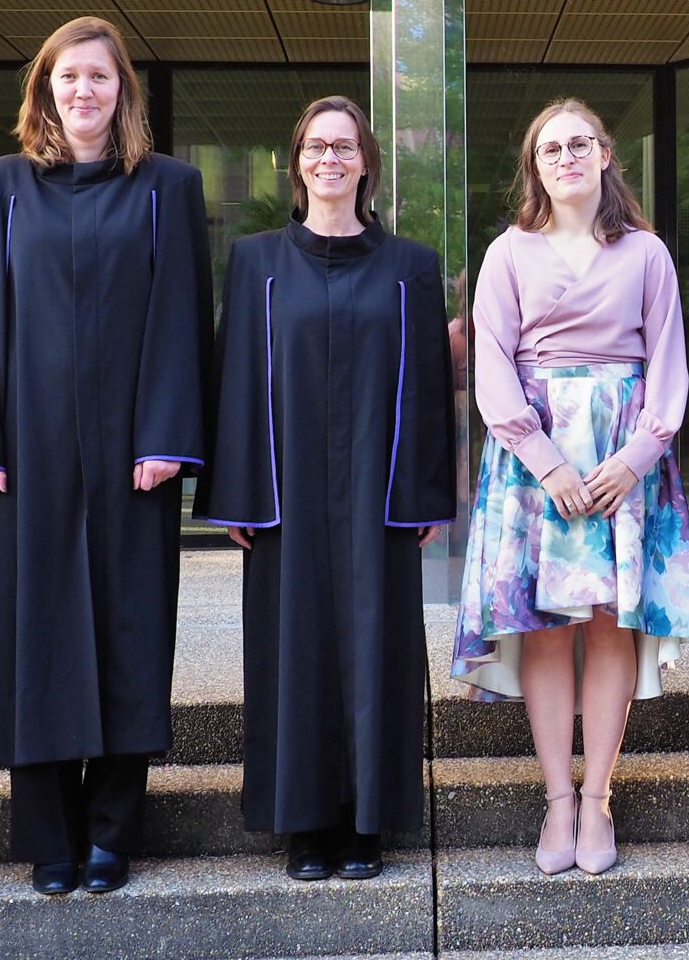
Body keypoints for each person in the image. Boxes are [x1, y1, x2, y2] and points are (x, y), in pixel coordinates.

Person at [0, 17, 212, 896]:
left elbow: (180, 313)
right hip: (28, 443)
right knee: (36, 628)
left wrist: (169, 434)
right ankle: (47, 831)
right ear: (46, 92)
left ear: (122, 90)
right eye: (68, 79)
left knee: (131, 626)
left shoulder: (166, 187)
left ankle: (113, 830)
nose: (84, 92)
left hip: (135, 447)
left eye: (99, 78)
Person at [195, 96, 454, 882]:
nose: (330, 159)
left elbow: (428, 386)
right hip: (288, 490)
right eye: (316, 147)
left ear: (366, 163)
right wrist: (238, 495)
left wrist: (424, 496)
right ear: (297, 161)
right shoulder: (257, 262)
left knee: (380, 649)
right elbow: (234, 376)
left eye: (345, 147)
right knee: (292, 647)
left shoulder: (410, 266)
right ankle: (303, 823)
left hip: (380, 488)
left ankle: (367, 823)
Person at [452, 99, 689, 876]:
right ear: (534, 167)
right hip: (539, 464)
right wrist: (546, 461)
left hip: (622, 458)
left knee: (606, 625)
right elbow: (490, 362)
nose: (565, 157)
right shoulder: (507, 253)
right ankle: (555, 801)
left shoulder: (647, 254)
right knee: (547, 627)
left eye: (579, 144)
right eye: (549, 148)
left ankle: (597, 798)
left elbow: (669, 361)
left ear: (605, 156)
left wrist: (636, 457)